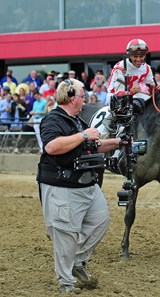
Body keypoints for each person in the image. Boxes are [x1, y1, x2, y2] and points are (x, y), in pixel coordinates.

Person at [36, 78, 124, 293]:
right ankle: (66, 281)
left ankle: (77, 261)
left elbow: (92, 145)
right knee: (66, 233)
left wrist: (117, 143)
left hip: (86, 183)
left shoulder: (77, 121)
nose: (86, 100)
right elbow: (51, 147)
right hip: (61, 185)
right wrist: (84, 135)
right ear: (72, 97)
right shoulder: (53, 120)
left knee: (99, 221)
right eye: (83, 96)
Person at [106, 38, 156, 107]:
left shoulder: (147, 68)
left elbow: (151, 86)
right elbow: (118, 93)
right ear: (129, 55)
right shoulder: (120, 67)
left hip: (134, 95)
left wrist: (157, 88)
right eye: (135, 56)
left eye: (141, 56)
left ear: (145, 56)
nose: (138, 60)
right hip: (114, 97)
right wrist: (131, 91)